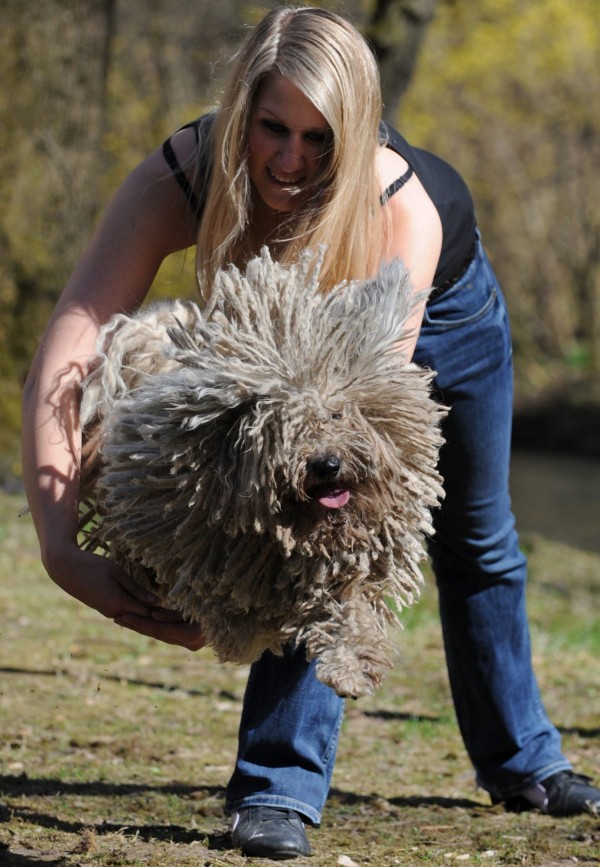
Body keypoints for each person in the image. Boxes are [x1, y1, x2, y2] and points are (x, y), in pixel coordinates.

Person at [22, 5, 599, 861]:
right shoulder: (181, 172)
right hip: (284, 354)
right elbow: (74, 336)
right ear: (241, 110)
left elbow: (354, 463)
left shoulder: (399, 208)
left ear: (356, 133)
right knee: (278, 495)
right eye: (272, 128)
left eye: (320, 139)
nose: (290, 160)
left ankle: (521, 760)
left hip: (430, 323)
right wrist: (61, 544)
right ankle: (275, 791)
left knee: (466, 537)